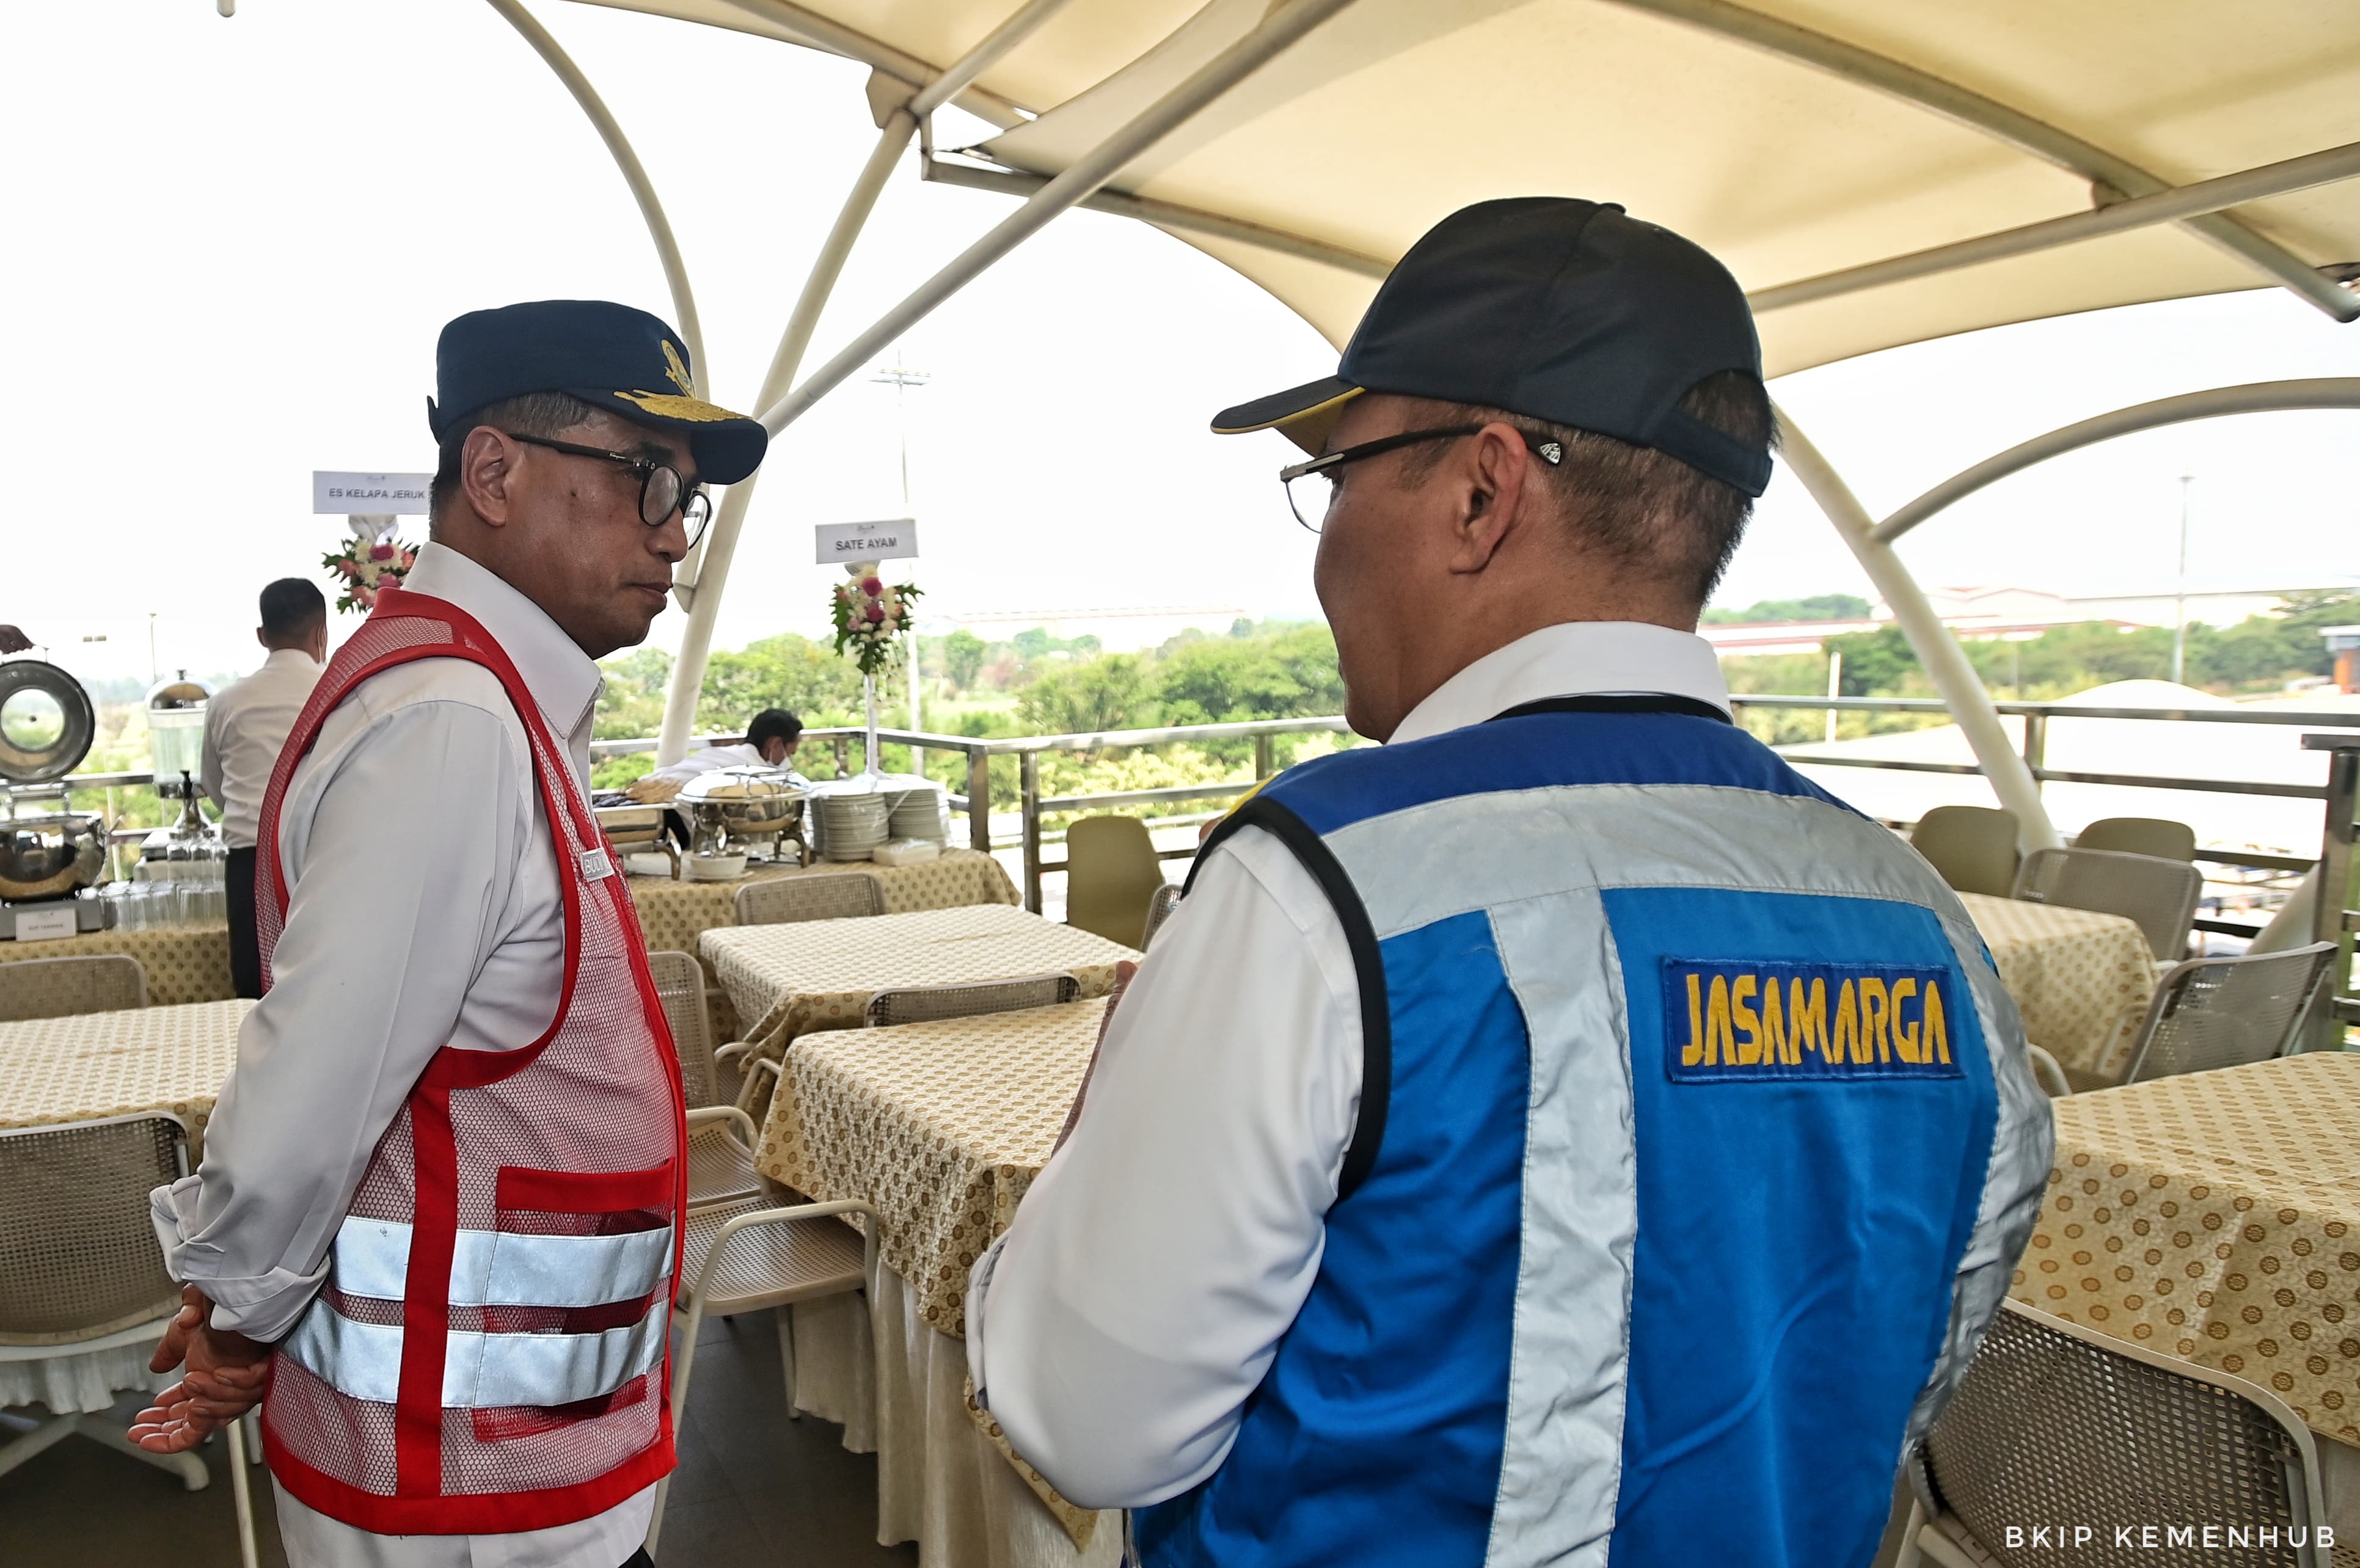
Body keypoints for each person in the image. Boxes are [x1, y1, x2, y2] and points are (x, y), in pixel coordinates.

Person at [965, 199, 2051, 1567]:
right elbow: (1905, 1363)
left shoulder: (1324, 880)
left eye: (1340, 472)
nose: (1323, 536)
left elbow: (1090, 1418)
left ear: (1480, 490)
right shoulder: (1918, 919)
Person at [131, 299, 769, 1568]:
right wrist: (241, 1316)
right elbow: (317, 1071)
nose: (671, 538)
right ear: (494, 471)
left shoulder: (474, 696)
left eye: (684, 502)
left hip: (510, 1446)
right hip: (460, 1472)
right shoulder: (453, 720)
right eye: (648, 481)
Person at [202, 577, 327, 999]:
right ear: (321, 633)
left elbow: (214, 786)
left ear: (262, 635)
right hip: (321, 855)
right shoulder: (338, 692)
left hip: (248, 861)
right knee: (322, 982)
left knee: (256, 990)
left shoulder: (227, 701)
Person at [643, 707, 805, 783]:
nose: (788, 761)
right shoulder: (756, 776)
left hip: (642, 791)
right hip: (668, 815)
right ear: (775, 743)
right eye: (789, 753)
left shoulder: (728, 753)